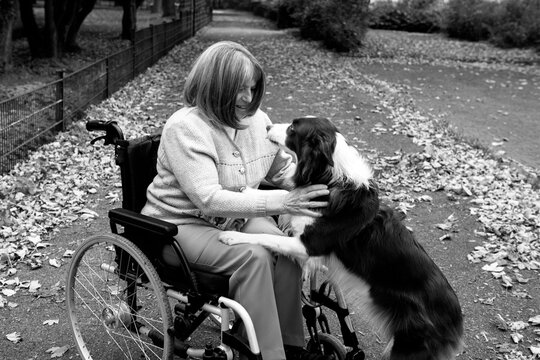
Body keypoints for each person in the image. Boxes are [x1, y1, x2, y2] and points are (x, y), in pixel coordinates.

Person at [141, 41, 331, 360]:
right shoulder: (184, 128)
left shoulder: (257, 121)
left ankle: (288, 345)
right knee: (254, 256)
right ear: (214, 88)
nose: (247, 98)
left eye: (252, 88)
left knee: (283, 249)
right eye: (238, 90)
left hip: (233, 220)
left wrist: (324, 185)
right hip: (179, 226)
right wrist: (283, 203)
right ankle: (268, 355)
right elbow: (209, 200)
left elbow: (283, 170)